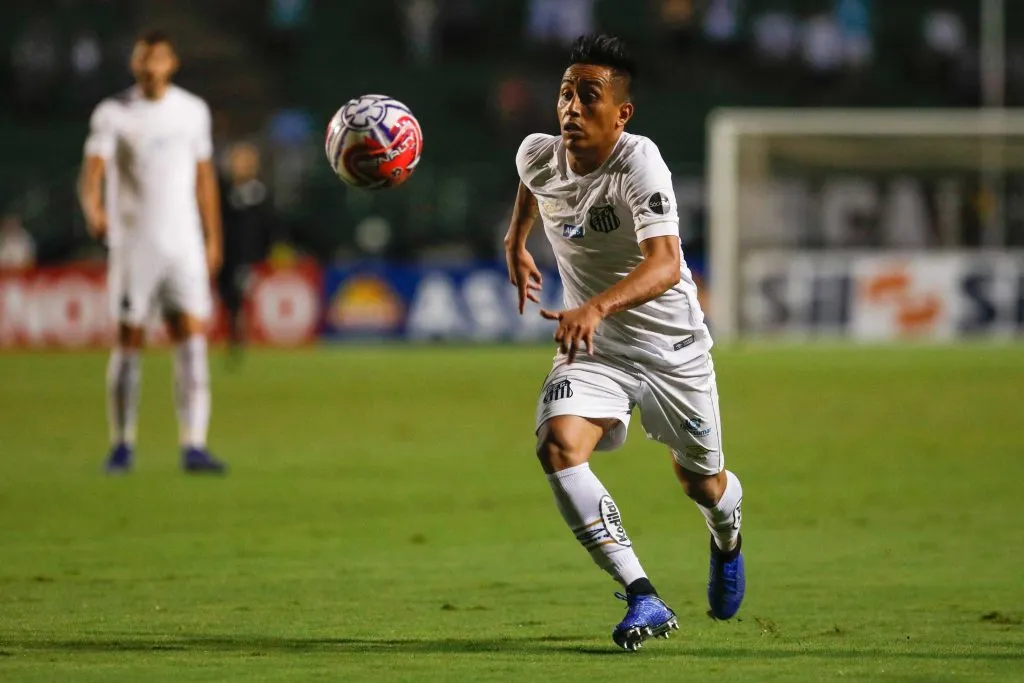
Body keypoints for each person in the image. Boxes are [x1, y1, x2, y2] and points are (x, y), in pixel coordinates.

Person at [504, 34, 745, 651]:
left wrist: (596, 304)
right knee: (558, 445)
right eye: (565, 94)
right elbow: (532, 185)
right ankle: (644, 595)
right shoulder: (537, 154)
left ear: (622, 113)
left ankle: (726, 536)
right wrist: (516, 240)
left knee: (702, 485)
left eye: (589, 97)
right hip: (596, 348)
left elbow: (665, 264)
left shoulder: (639, 163)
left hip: (672, 350)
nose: (572, 109)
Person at [78, 29, 227, 474]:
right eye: (143, 59)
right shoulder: (113, 113)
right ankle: (122, 443)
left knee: (192, 338)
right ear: (134, 64)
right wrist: (93, 206)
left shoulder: (192, 111)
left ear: (172, 63)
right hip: (133, 243)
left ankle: (194, 444)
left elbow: (204, 178)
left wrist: (213, 237)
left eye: (157, 58)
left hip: (183, 243)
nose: (150, 67)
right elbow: (93, 170)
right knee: (129, 339)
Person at [218, 141, 274, 361]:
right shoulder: (223, 191)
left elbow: (267, 227)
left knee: (241, 294)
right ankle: (230, 335)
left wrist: (263, 253)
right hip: (225, 254)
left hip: (247, 256)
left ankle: (241, 337)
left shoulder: (259, 193)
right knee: (226, 295)